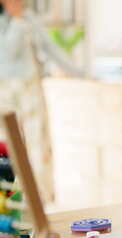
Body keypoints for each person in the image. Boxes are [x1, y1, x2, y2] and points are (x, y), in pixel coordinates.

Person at [0, 0, 84, 202]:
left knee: (39, 143)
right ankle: (10, 197)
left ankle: (40, 199)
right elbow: (8, 53)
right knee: (7, 145)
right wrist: (17, 20)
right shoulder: (6, 21)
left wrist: (81, 73)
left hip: (31, 87)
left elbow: (51, 48)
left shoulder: (30, 18)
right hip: (6, 90)